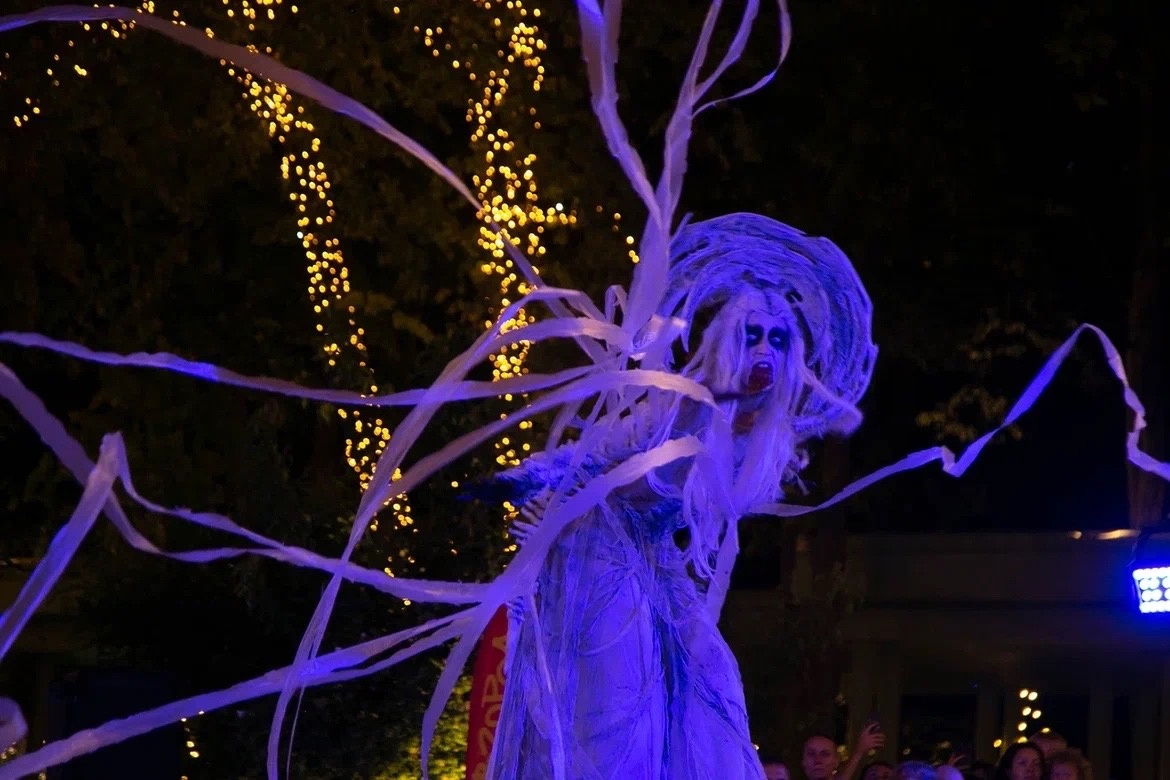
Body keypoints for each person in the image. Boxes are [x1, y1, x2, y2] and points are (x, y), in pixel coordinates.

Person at [482, 214, 876, 779]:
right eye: (752, 335)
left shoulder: (769, 444)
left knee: (710, 677)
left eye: (777, 338)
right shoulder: (681, 404)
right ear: (730, 342)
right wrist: (539, 490)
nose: (764, 349)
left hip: (654, 553)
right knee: (618, 698)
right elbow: (597, 454)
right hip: (599, 542)